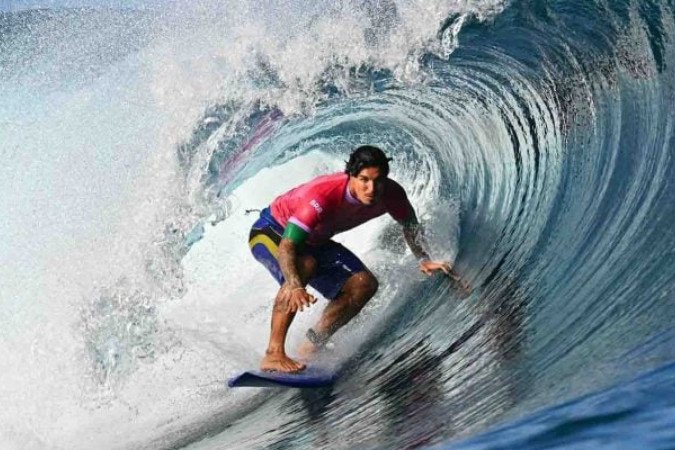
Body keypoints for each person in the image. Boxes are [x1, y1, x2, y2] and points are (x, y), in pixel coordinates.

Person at [248, 145, 469, 373]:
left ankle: (310, 347)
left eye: (378, 180)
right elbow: (288, 247)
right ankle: (273, 354)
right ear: (350, 176)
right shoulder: (321, 196)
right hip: (272, 231)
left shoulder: (392, 194)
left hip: (315, 241)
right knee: (305, 265)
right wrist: (294, 285)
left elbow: (410, 224)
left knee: (364, 284)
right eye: (363, 180)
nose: (371, 188)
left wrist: (423, 258)